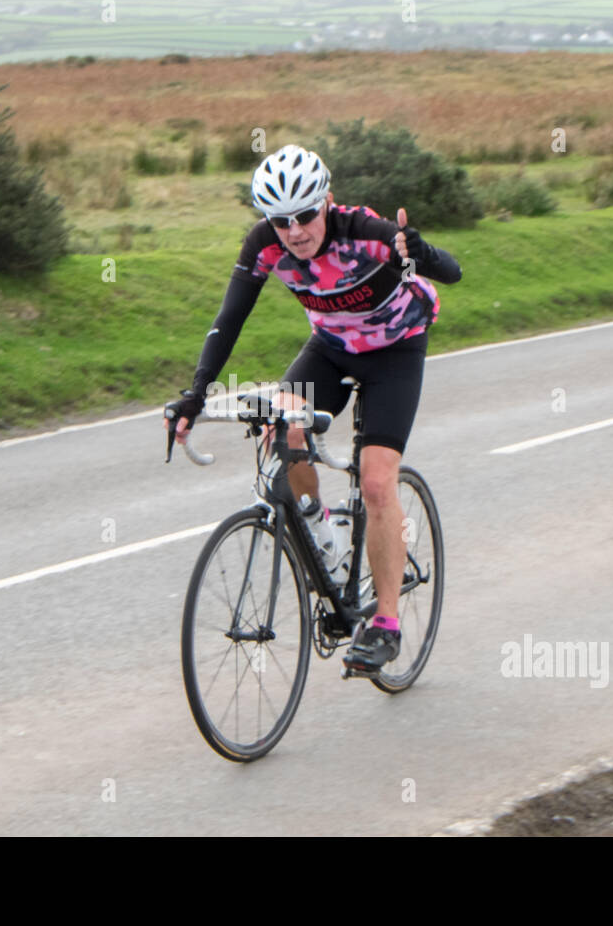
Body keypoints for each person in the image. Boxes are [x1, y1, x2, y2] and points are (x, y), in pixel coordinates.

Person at [164, 143, 462, 673]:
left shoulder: (363, 233)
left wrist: (417, 249)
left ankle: (386, 624)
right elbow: (229, 318)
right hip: (330, 349)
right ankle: (321, 538)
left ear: (326, 202)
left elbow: (452, 271)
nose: (295, 231)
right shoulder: (265, 247)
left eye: (305, 215)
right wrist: (196, 392)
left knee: (375, 482)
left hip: (395, 350)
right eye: (280, 220)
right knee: (280, 430)